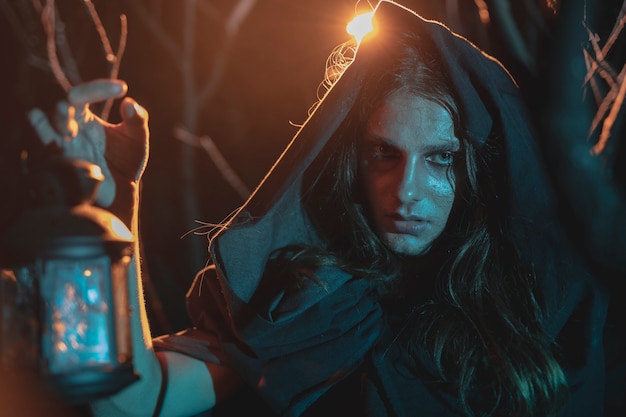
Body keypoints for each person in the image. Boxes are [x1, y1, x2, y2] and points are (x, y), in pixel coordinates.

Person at [27, 1, 608, 416]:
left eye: (440, 160)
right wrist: (104, 209)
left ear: (479, 169)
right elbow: (130, 401)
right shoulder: (319, 297)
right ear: (352, 157)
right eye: (383, 152)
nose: (405, 189)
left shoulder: (546, 307)